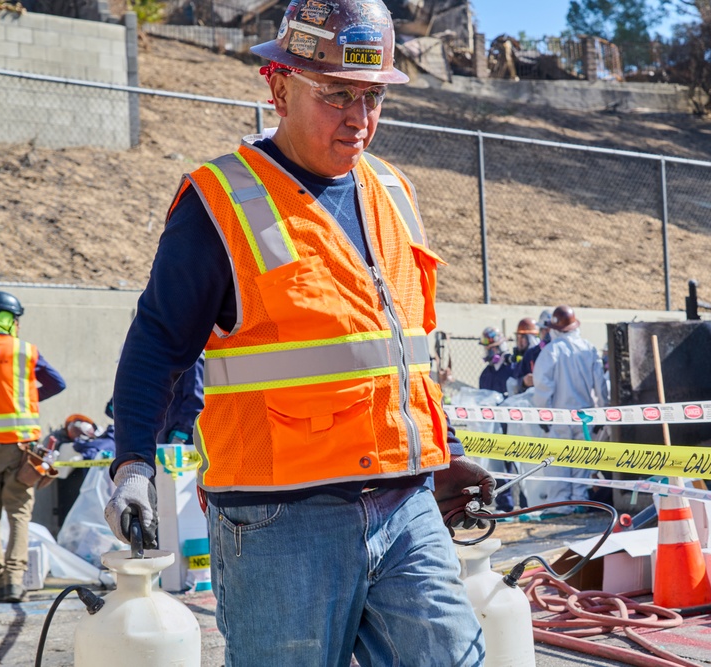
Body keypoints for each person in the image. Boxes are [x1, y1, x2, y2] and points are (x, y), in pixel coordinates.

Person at [102, 2, 492, 664]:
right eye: (337, 93)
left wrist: (443, 448)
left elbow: (409, 350)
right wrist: (132, 461)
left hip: (406, 506)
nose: (359, 117)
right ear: (278, 85)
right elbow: (158, 343)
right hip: (281, 524)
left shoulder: (393, 192)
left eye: (372, 96)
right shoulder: (220, 202)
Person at [0, 291, 66, 603]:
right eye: (15, 319)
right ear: (7, 318)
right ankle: (14, 582)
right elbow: (57, 383)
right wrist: (24, 399)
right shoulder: (26, 351)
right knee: (18, 516)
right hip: (21, 449)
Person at [532, 305, 608, 505]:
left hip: (559, 417)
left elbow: (542, 386)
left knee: (558, 462)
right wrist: (603, 412)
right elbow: (600, 385)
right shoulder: (589, 349)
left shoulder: (551, 351)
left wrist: (543, 414)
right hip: (585, 416)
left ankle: (561, 504)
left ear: (555, 329)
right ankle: (580, 502)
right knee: (582, 460)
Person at [156, 354, 204, 445]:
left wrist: (181, 435)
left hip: (184, 439)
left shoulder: (193, 359)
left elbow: (195, 402)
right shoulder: (168, 357)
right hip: (165, 438)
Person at [477, 326, 514, 397]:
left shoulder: (512, 369)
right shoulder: (485, 374)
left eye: (489, 349)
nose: (487, 353)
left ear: (500, 347)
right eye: (486, 349)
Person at [507, 317, 541, 396]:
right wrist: (523, 382)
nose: (519, 342)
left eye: (522, 337)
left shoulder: (538, 355)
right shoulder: (521, 359)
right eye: (518, 337)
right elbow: (514, 381)